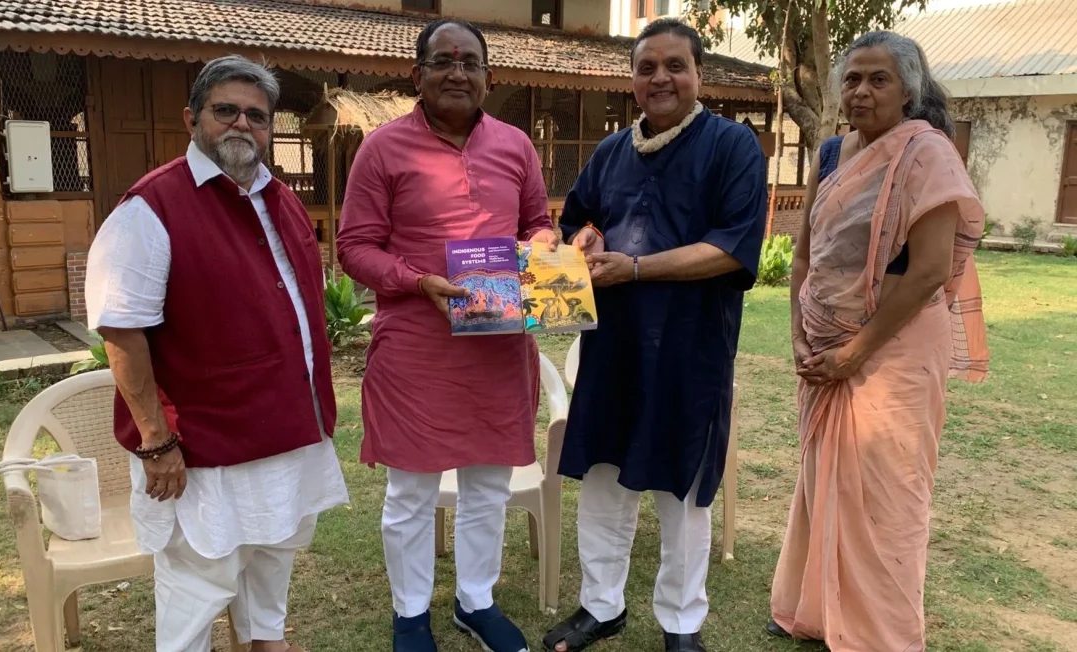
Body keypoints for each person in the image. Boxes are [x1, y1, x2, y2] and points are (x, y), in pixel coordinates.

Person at [85, 55, 348, 652]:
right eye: (224, 110)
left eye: (257, 115)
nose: (241, 125)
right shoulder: (149, 210)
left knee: (274, 546)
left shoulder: (278, 200)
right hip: (205, 443)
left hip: (284, 428)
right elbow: (122, 331)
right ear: (192, 118)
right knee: (201, 575)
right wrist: (157, 439)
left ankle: (264, 641)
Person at [542, 19, 768, 652]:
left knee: (683, 487)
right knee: (604, 476)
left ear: (699, 74)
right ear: (633, 80)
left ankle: (681, 622)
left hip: (690, 349)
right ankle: (601, 606)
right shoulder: (613, 151)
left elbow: (733, 248)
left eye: (675, 65)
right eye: (647, 68)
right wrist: (582, 242)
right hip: (610, 346)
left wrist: (637, 268)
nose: (660, 78)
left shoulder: (731, 147)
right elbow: (578, 221)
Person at [336, 17, 558, 652]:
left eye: (470, 61)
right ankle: (410, 614)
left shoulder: (515, 145)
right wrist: (417, 280)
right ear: (418, 75)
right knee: (411, 491)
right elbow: (354, 248)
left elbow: (538, 222)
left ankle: (475, 601)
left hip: (498, 340)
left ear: (489, 77)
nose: (457, 71)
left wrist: (541, 249)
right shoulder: (381, 148)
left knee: (487, 484)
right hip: (416, 345)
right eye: (443, 61)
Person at [767, 31, 989, 651]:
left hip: (894, 347)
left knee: (888, 493)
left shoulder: (927, 155)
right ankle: (812, 608)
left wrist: (855, 352)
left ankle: (880, 633)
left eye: (878, 79)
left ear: (908, 91)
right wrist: (800, 338)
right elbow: (805, 254)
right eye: (853, 79)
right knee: (822, 477)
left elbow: (927, 272)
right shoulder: (833, 154)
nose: (861, 91)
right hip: (824, 348)